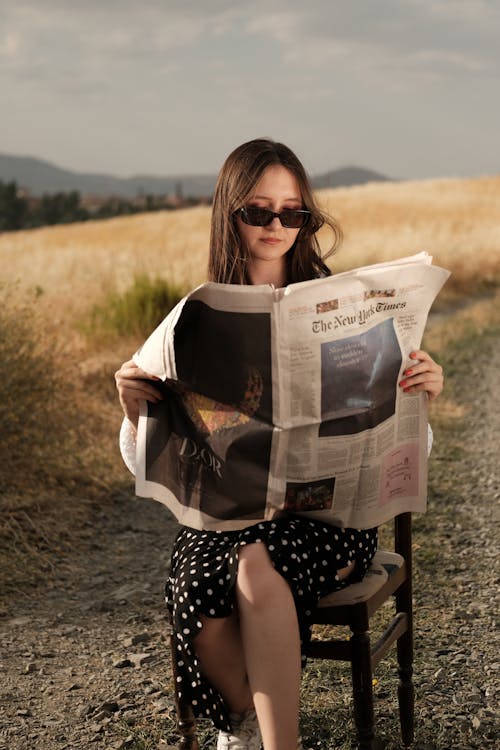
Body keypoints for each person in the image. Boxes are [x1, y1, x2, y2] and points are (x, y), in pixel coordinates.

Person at [115, 138, 444, 750]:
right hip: (224, 519)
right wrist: (134, 412)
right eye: (258, 211)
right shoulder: (194, 319)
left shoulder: (351, 311)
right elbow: (146, 466)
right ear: (229, 214)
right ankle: (241, 719)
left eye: (292, 213)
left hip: (325, 520)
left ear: (307, 219)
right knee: (201, 594)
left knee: (255, 566)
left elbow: (402, 450)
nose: (276, 226)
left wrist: (420, 396)